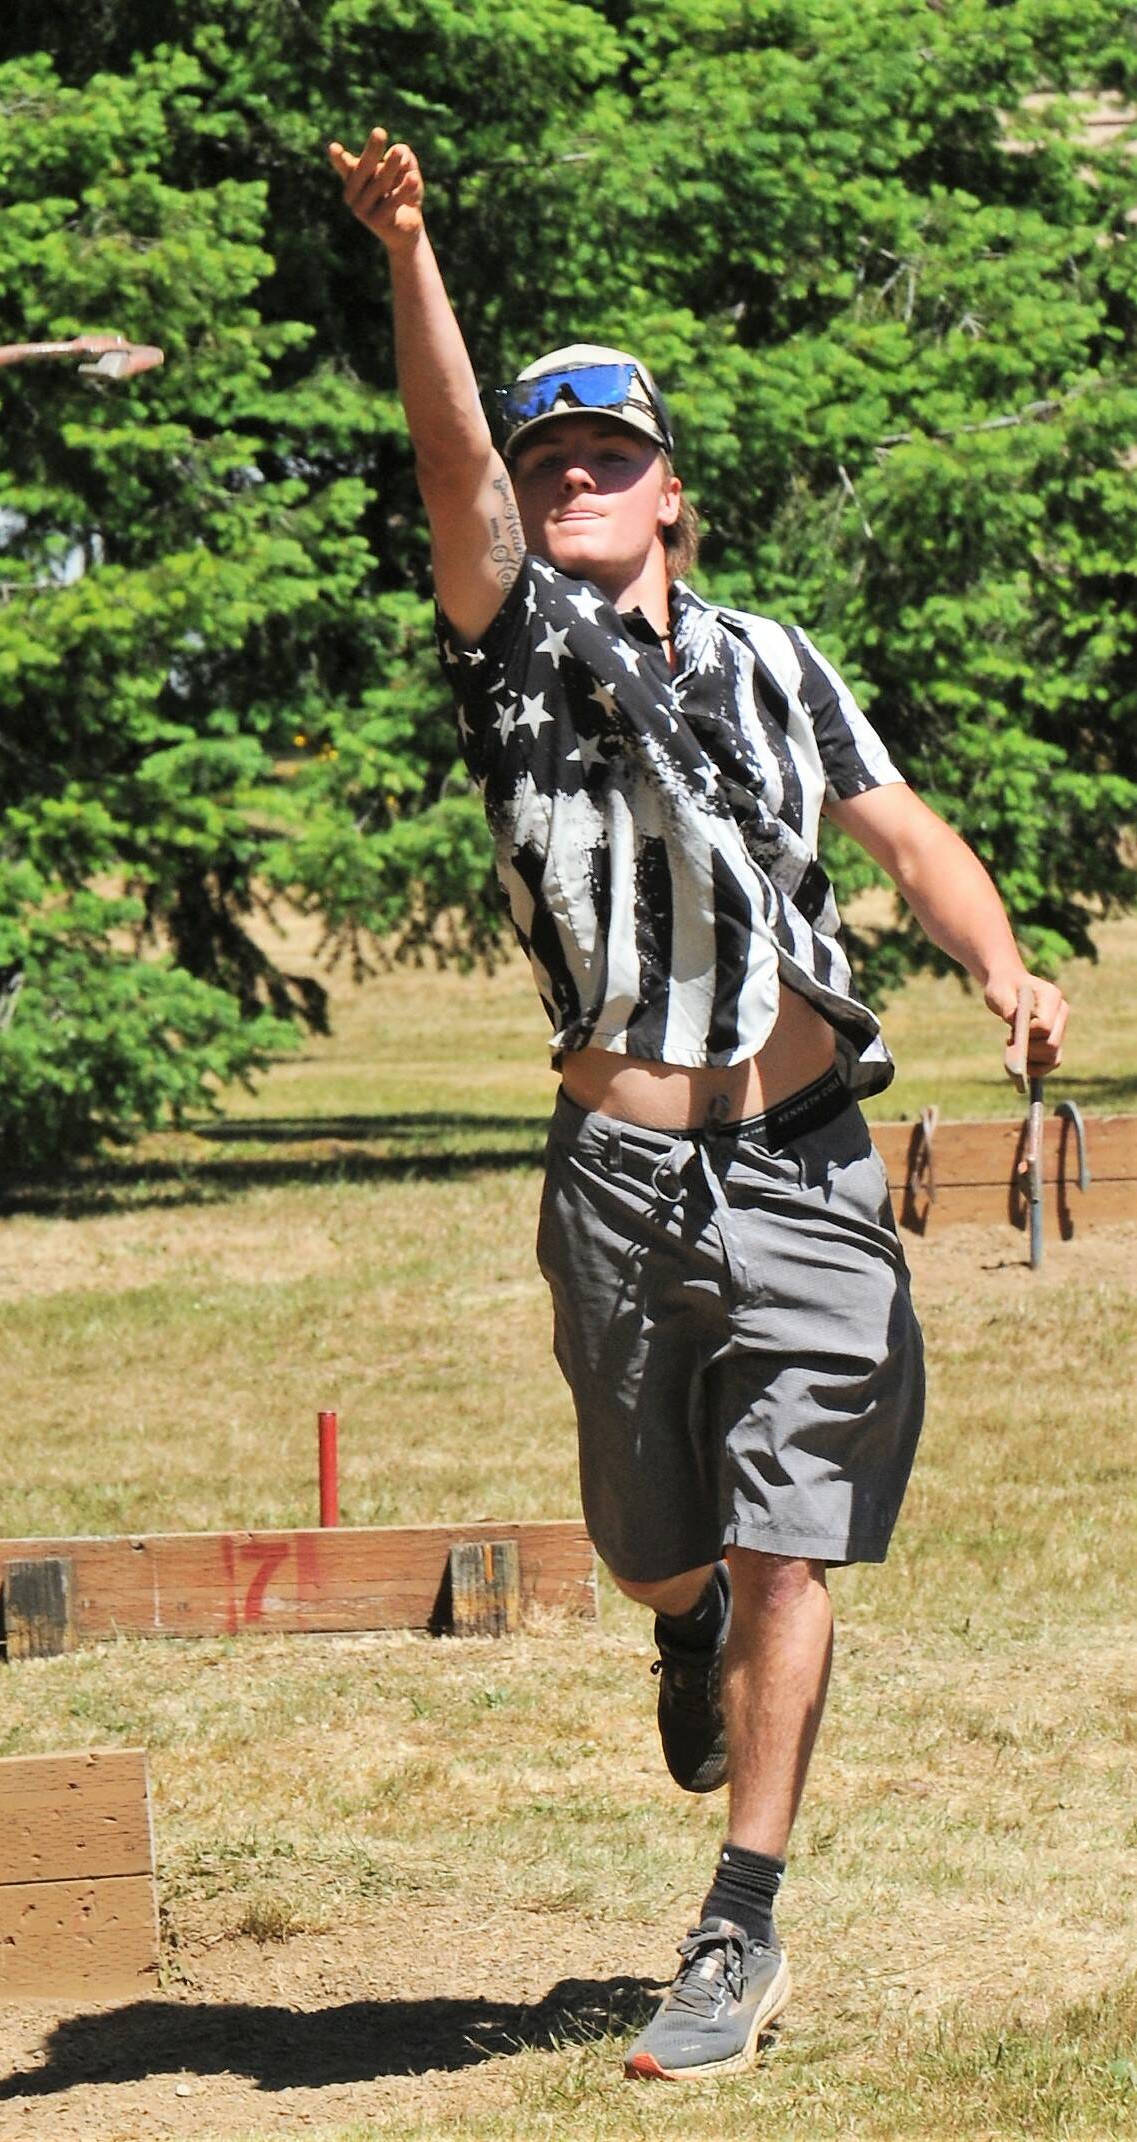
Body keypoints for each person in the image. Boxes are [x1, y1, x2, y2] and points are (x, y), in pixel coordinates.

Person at [329, 127, 1069, 2082]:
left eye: (601, 462)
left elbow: (901, 831)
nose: (563, 484)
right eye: (543, 463)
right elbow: (447, 466)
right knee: (660, 1548)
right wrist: (408, 247)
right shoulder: (511, 656)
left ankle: (733, 1925)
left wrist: (997, 965)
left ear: (670, 496)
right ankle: (671, 1626)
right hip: (622, 1175)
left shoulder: (771, 663)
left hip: (808, 1157)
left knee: (781, 1544)